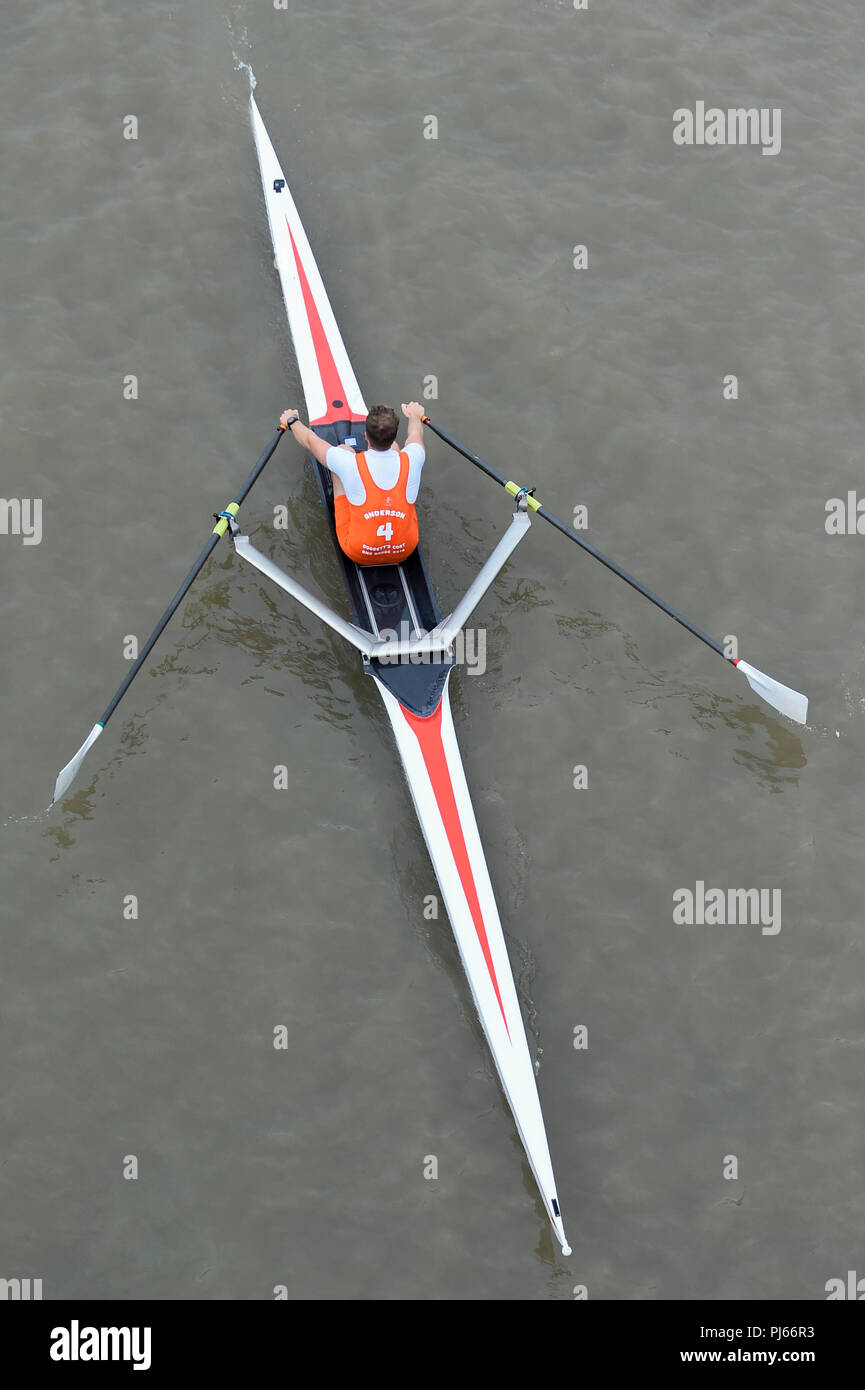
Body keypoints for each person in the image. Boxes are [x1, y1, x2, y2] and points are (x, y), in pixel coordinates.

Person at [279, 403, 425, 566]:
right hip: (405, 549)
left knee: (342, 454)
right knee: (396, 449)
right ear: (394, 434)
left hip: (359, 551)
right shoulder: (415, 456)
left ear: (366, 436)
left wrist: (292, 421)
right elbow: (415, 433)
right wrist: (414, 416)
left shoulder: (349, 462)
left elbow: (310, 441)